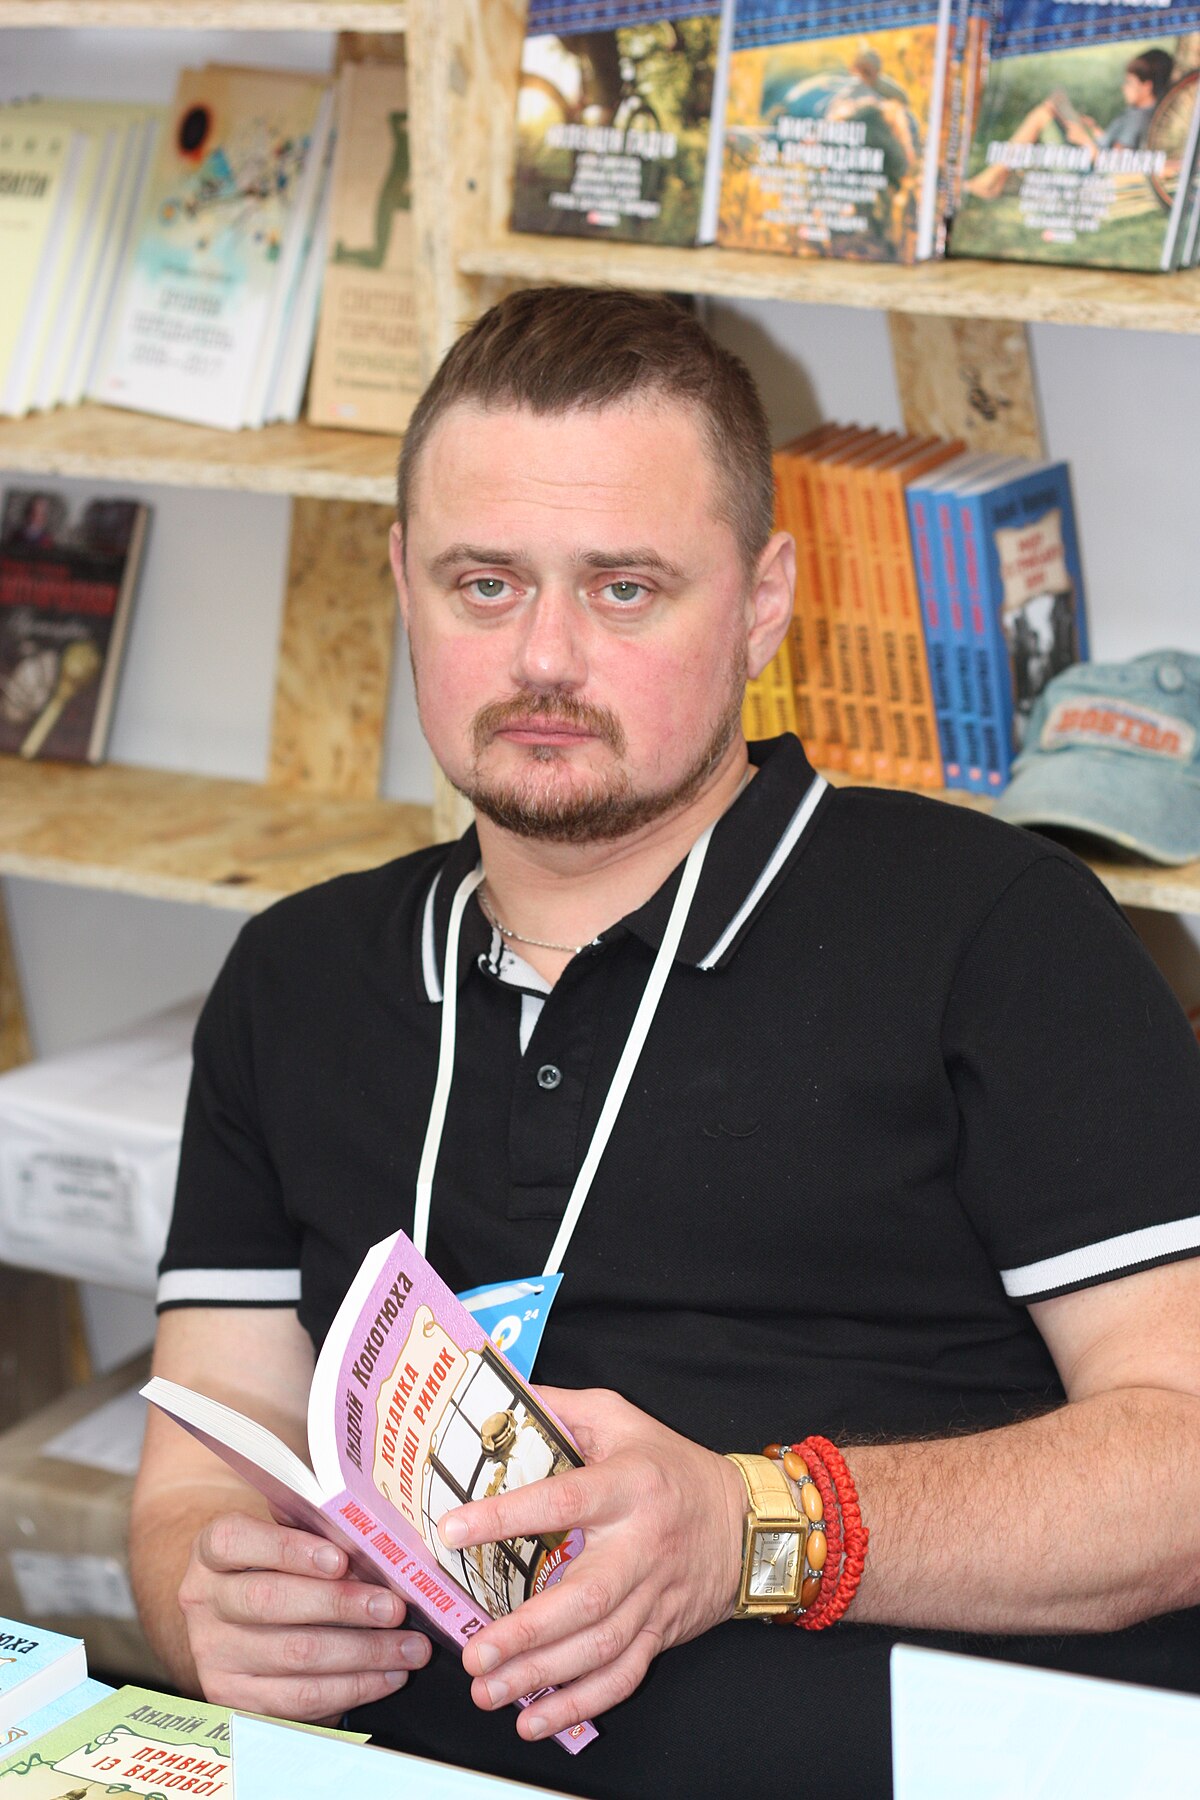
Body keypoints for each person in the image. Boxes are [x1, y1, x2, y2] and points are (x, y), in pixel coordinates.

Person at [131, 286, 1200, 1797]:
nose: (545, 657)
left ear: (763, 601)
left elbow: (1184, 1463)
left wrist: (757, 1530)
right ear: (403, 584)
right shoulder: (291, 976)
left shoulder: (999, 930)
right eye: (484, 584)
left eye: (624, 589)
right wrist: (209, 1601)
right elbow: (201, 1455)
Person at [966, 48, 1175, 200]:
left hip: (1082, 174)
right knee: (1051, 107)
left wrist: (1085, 141)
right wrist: (1094, 131)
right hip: (1086, 161)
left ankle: (991, 178)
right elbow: (1114, 148)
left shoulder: (1138, 118)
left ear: (1147, 86)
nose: (1123, 88)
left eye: (1129, 82)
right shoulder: (1139, 112)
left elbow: (1117, 164)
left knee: (1042, 114)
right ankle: (996, 178)